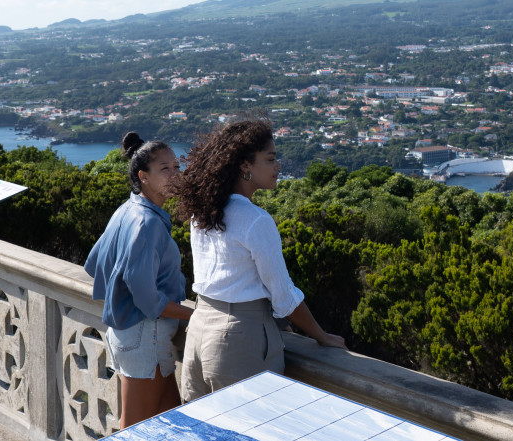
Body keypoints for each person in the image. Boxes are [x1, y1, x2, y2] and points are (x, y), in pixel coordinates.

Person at [172, 115, 346, 401]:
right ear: (245, 165)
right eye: (270, 159)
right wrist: (322, 336)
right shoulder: (255, 220)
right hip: (238, 343)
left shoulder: (202, 212)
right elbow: (284, 296)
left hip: (199, 331)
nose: (278, 166)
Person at [84, 132, 193, 428]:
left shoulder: (127, 209)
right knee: (134, 429)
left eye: (176, 166)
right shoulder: (147, 223)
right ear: (143, 176)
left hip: (130, 333)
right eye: (165, 169)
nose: (175, 174)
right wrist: (194, 315)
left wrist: (120, 288)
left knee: (171, 424)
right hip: (146, 335)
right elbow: (147, 300)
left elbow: (94, 263)